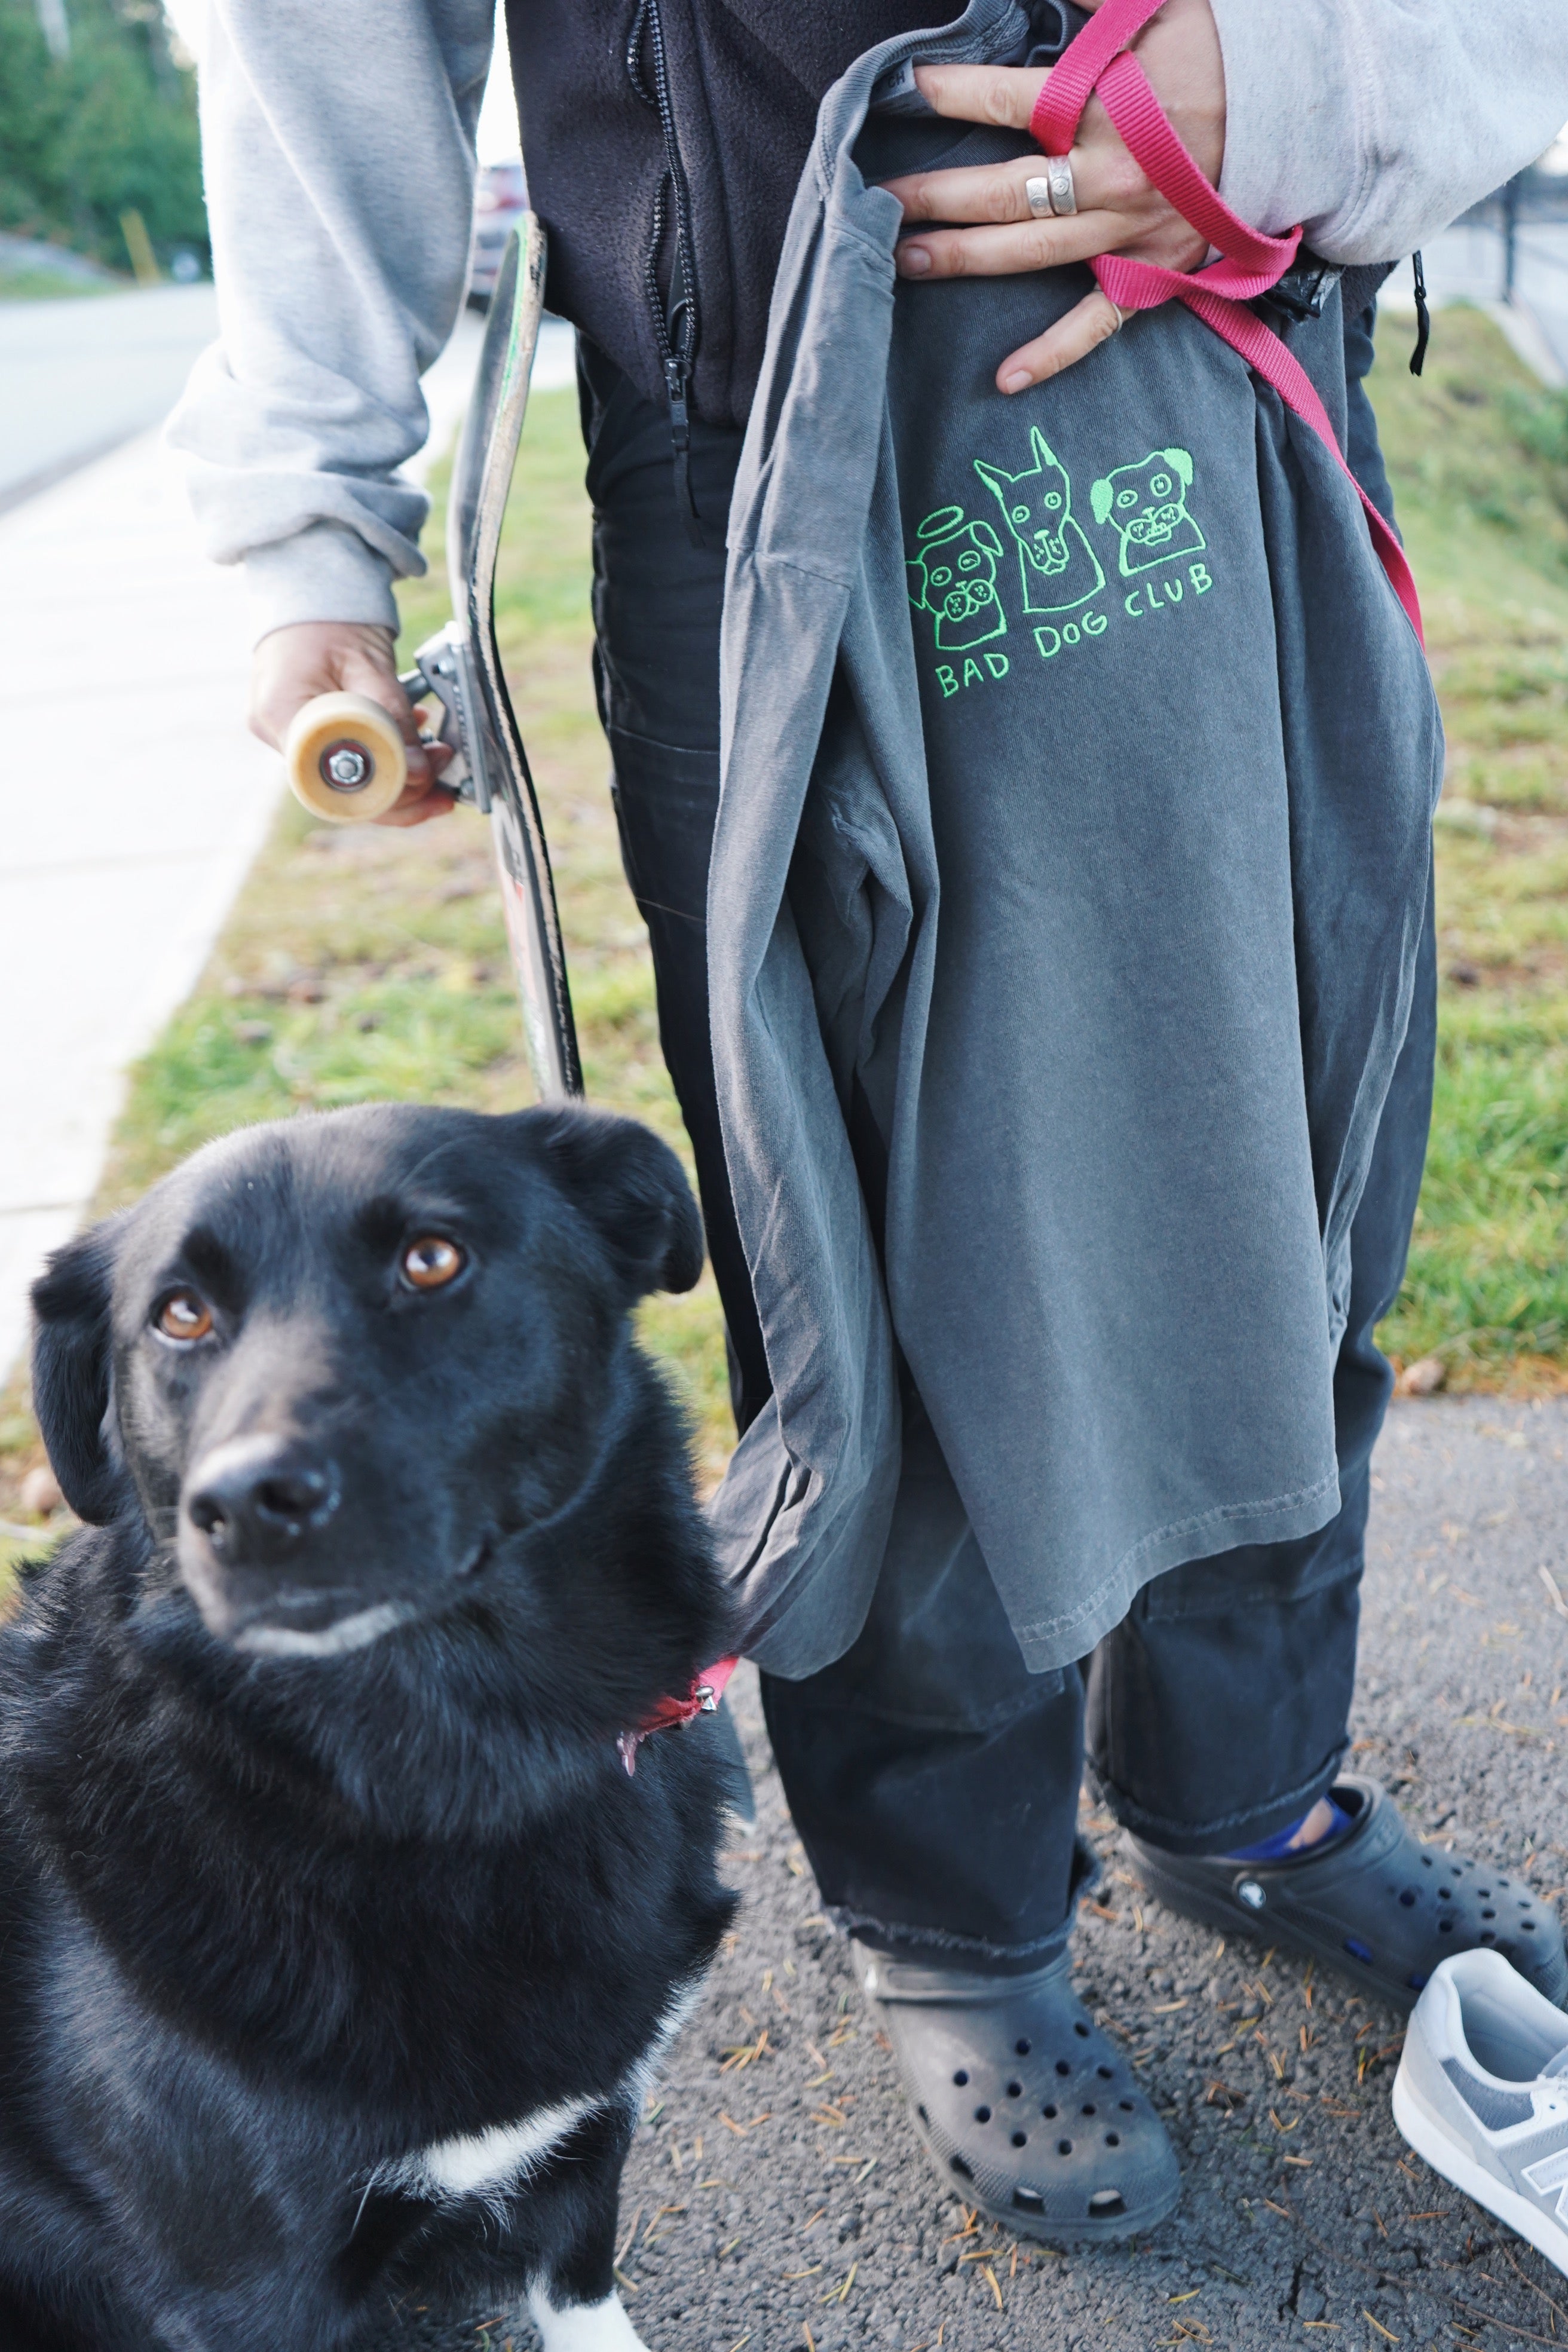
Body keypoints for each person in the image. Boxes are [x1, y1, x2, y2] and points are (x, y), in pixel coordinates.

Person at [172, 0, 1568, 2244]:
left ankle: (1248, 1794)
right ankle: (961, 1910)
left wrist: (1329, 86)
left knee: (1292, 1178)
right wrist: (310, 522)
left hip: (1231, 334)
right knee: (883, 1275)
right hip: (757, 450)